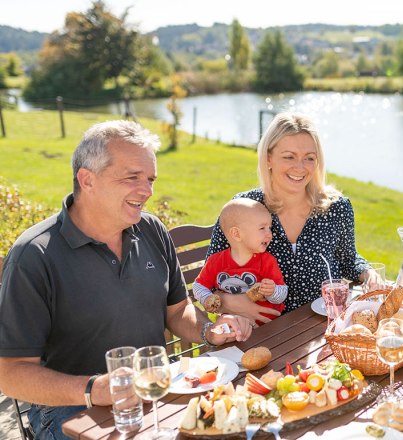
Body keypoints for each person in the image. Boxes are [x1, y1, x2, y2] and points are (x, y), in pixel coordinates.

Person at [0, 120, 253, 440]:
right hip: (74, 409)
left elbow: (176, 311)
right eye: (132, 177)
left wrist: (208, 330)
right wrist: (94, 389)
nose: (146, 191)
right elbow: (10, 374)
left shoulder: (151, 230)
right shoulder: (34, 256)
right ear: (87, 179)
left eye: (149, 179)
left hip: (157, 391)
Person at [206, 112, 381, 319]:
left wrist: (368, 273)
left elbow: (348, 260)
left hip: (320, 330)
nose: (300, 168)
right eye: (289, 157)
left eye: (309, 158)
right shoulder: (244, 208)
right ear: (269, 158)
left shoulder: (336, 208)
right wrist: (228, 302)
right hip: (258, 333)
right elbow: (210, 278)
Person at [193, 199, 287, 325]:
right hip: (232, 328)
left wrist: (273, 291)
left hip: (266, 327)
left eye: (269, 228)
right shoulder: (216, 262)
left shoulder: (267, 261)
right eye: (262, 228)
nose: (269, 234)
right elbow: (198, 286)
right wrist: (206, 298)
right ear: (236, 234)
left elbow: (281, 295)